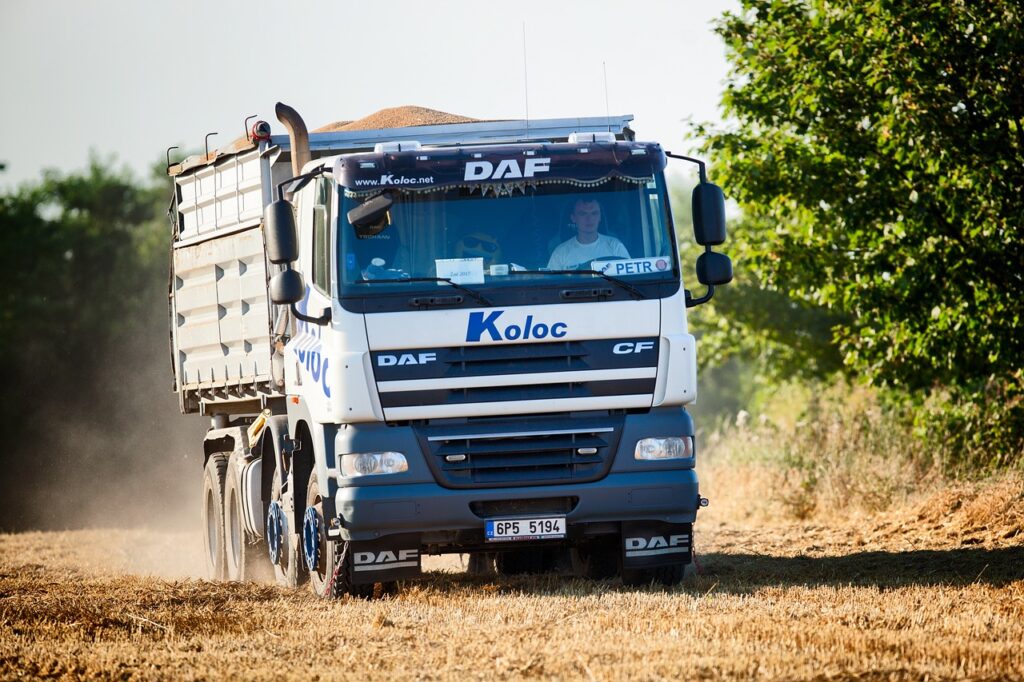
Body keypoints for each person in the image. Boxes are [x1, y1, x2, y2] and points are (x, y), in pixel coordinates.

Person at [546, 198, 629, 270]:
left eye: (594, 213)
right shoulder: (560, 253)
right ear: (573, 218)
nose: (589, 218)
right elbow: (551, 284)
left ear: (600, 217)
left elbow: (629, 277)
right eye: (583, 213)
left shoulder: (615, 247)